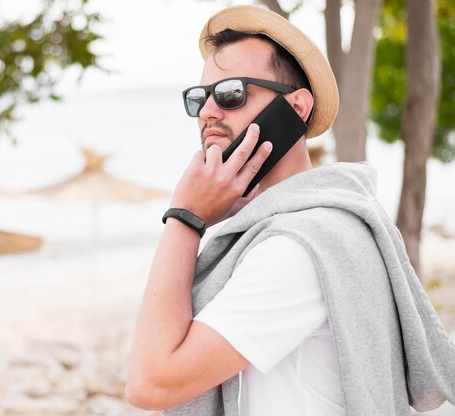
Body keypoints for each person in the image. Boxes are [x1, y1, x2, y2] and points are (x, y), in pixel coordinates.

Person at [125, 5, 455, 416]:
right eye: (199, 98)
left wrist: (185, 218)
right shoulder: (318, 223)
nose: (209, 111)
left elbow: (151, 384)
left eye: (231, 93)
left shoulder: (296, 247)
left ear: (297, 108)